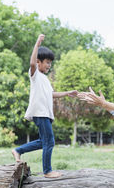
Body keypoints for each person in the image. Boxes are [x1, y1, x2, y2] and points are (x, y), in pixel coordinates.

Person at [12, 34, 78, 178]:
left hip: (46, 114)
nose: (49, 65)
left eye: (50, 63)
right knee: (50, 141)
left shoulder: (45, 79)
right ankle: (47, 171)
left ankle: (18, 150)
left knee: (44, 142)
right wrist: (38, 43)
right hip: (40, 112)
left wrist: (67, 93)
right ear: (38, 62)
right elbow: (31, 63)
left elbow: (52, 95)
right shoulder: (34, 74)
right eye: (47, 62)